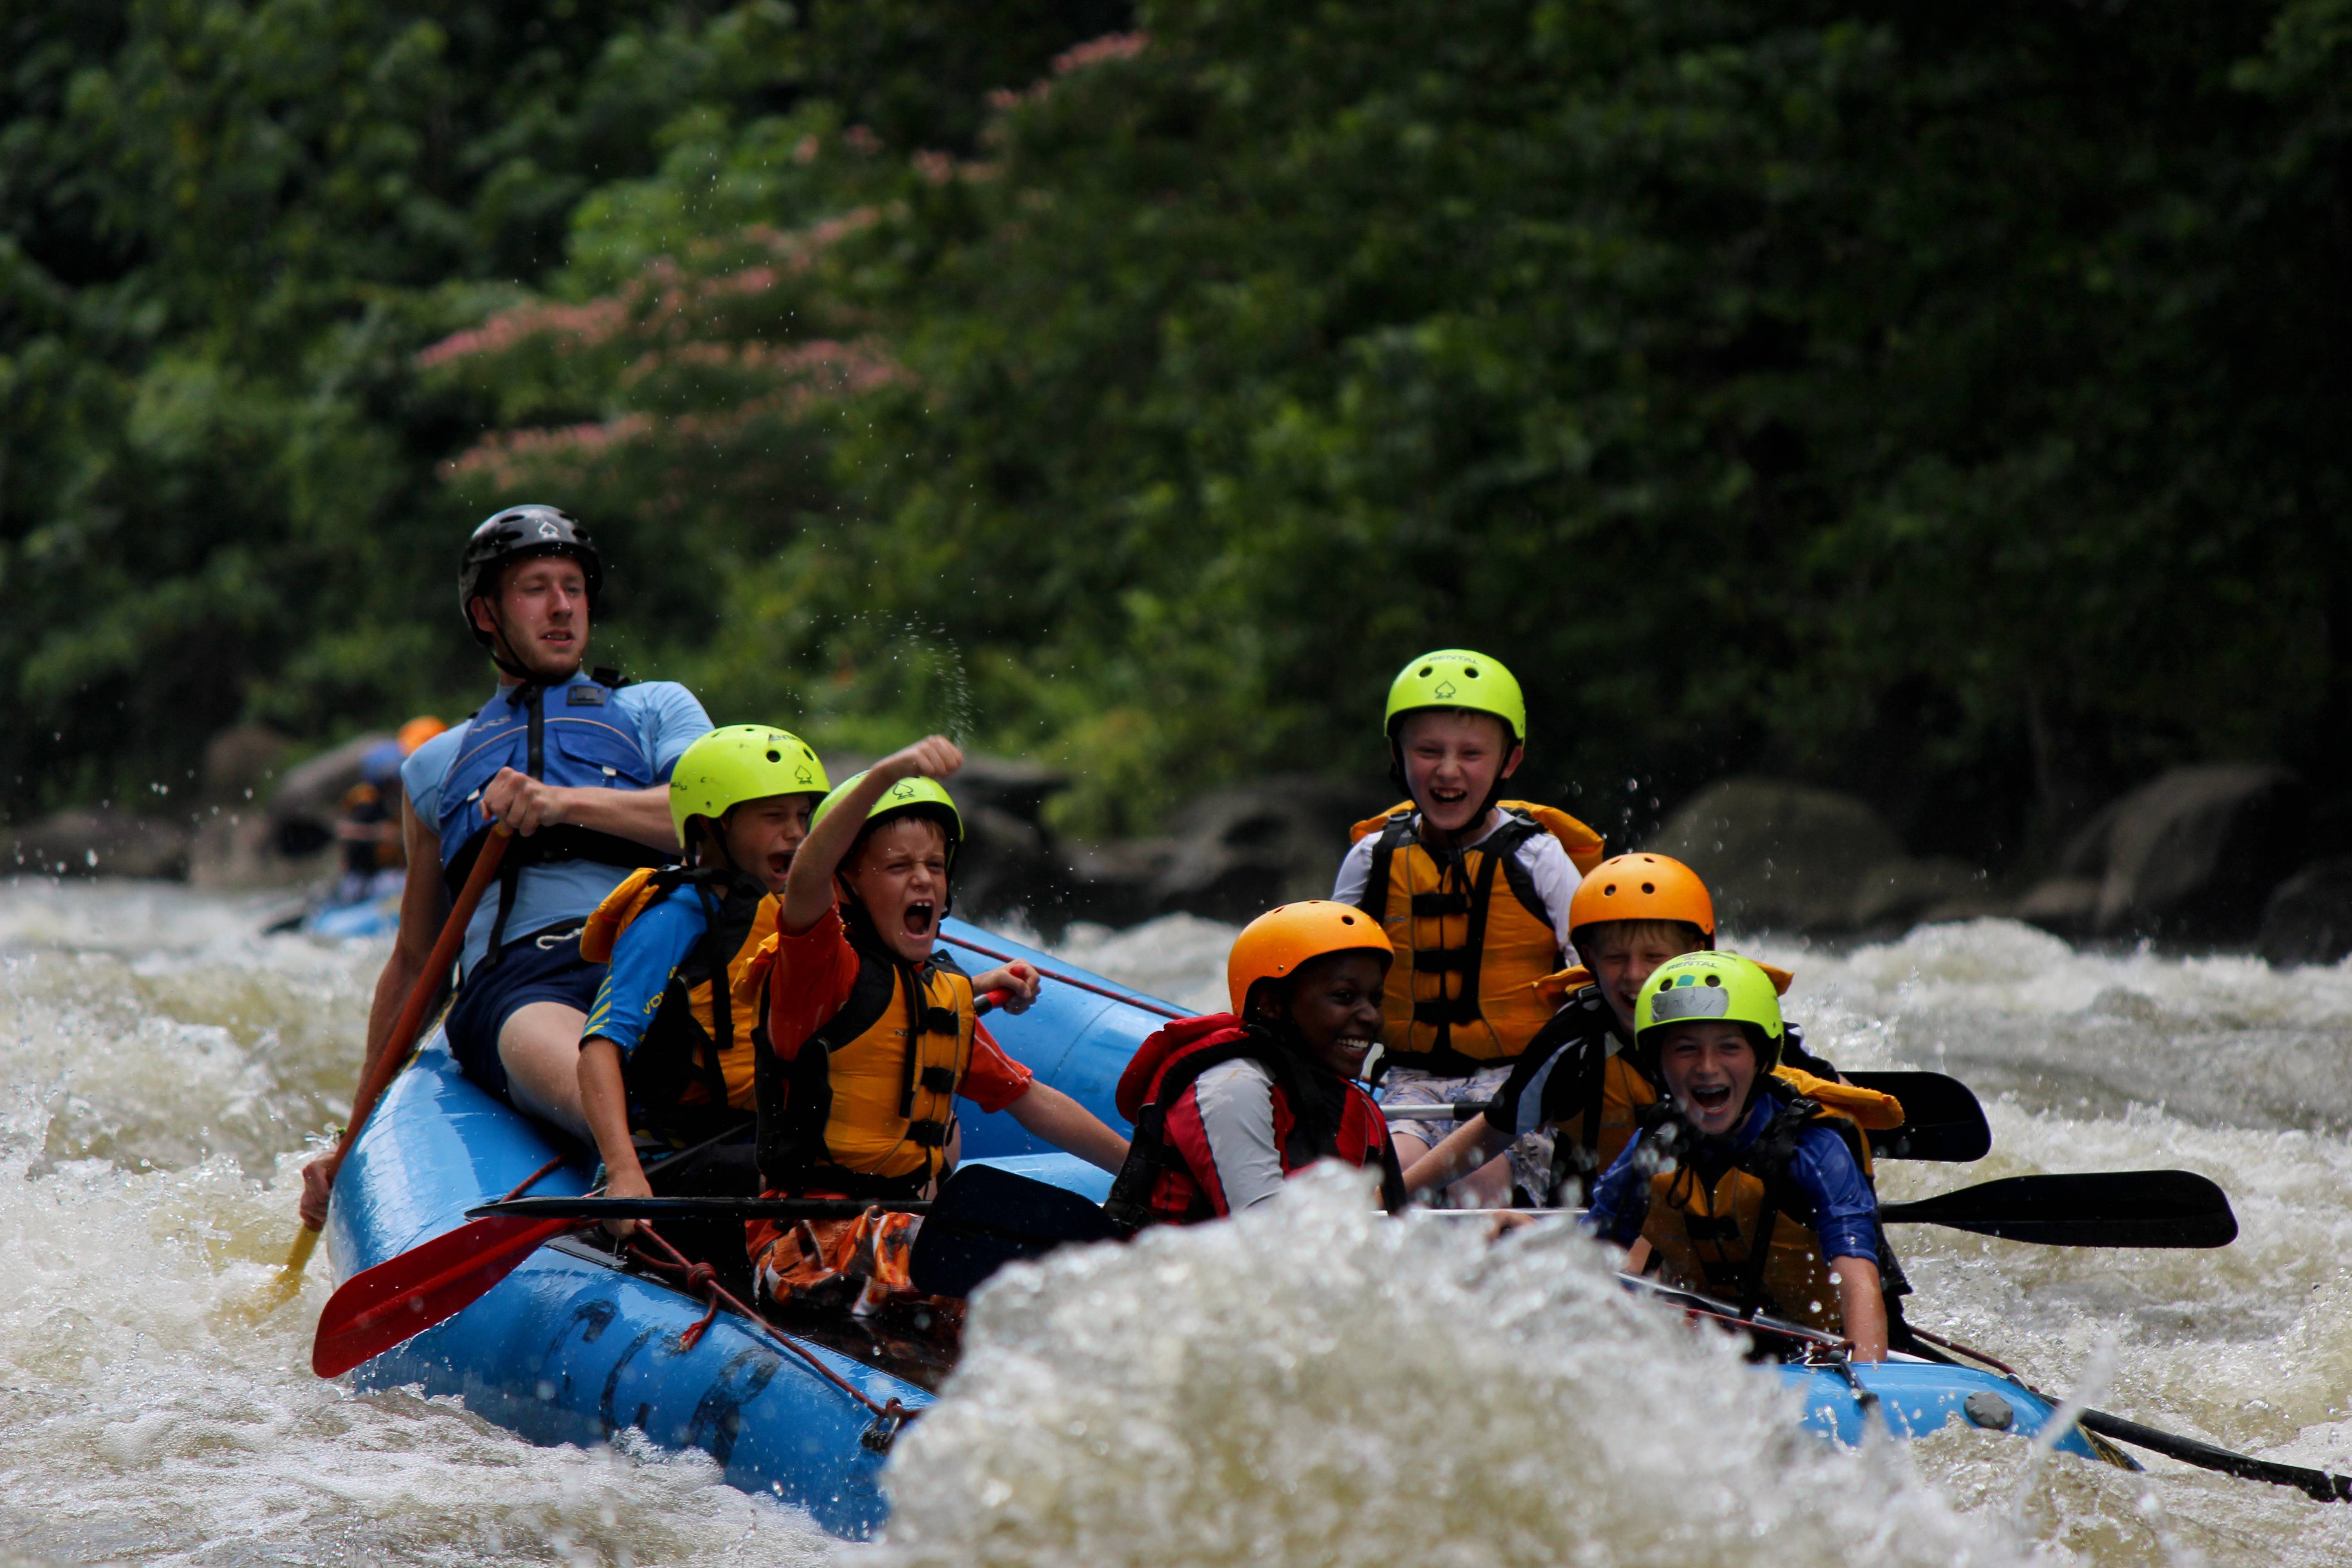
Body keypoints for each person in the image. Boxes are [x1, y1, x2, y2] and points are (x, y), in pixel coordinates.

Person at [299, 506, 709, 1227]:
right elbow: (417, 961)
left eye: (574, 588)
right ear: (486, 613)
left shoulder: (655, 710)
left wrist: (560, 804)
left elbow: (711, 826)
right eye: (536, 589)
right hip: (526, 984)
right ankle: (644, 1172)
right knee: (588, 1068)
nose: (561, 607)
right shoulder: (434, 768)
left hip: (667, 953)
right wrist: (352, 1134)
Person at [745, 736, 1129, 1317]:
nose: (923, 880)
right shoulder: (819, 973)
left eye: (932, 865)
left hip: (914, 1230)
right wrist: (886, 773)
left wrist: (1144, 1172)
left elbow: (1031, 1100)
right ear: (845, 887)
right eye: (898, 867)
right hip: (807, 1244)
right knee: (962, 1251)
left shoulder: (943, 999)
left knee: (1079, 1243)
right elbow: (805, 879)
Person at [1402, 853, 1843, 1205]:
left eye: (1654, 958)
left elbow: (1836, 1103)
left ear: (1695, 951)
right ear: (1589, 958)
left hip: (1726, 1226)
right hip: (1598, 1227)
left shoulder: (1747, 1026)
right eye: (1616, 959)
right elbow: (1494, 1129)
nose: (1635, 977)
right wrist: (1396, 1192)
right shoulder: (1571, 1041)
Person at [1332, 648, 1605, 1204]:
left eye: (1471, 754)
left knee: (1480, 1174)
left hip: (1517, 1086)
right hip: (1409, 1082)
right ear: (1398, 755)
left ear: (1509, 761)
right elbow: (1327, 979)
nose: (1448, 770)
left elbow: (1594, 975)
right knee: (1393, 1168)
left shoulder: (1539, 858)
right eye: (1428, 751)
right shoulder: (1372, 860)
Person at [571, 725, 831, 1276]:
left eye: (803, 817)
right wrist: (623, 1174)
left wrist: (973, 990)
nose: (796, 834)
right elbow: (599, 1049)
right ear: (711, 826)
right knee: (798, 1169)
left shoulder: (788, 912)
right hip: (671, 1163)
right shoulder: (670, 918)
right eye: (774, 817)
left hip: (751, 1137)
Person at [1586, 952, 1903, 1358]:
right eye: (1685, 1049)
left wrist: (1868, 1382)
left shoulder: (1814, 1147)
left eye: (1729, 1048)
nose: (1707, 1067)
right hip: (1720, 1346)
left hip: (1826, 1351)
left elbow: (1858, 1282)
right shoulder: (1654, 1144)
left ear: (1761, 1060)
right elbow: (1589, 1253)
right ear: (1657, 1062)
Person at [1103, 900, 1407, 1228]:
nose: (1371, 1016)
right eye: (1344, 997)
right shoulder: (1232, 1086)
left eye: (1375, 999)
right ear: (1272, 1005)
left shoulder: (1332, 1093)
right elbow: (1266, 1239)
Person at [329, 716, 446, 906]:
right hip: (363, 875)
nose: (396, 785)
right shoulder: (366, 801)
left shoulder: (410, 798)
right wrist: (378, 833)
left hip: (388, 875)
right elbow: (344, 830)